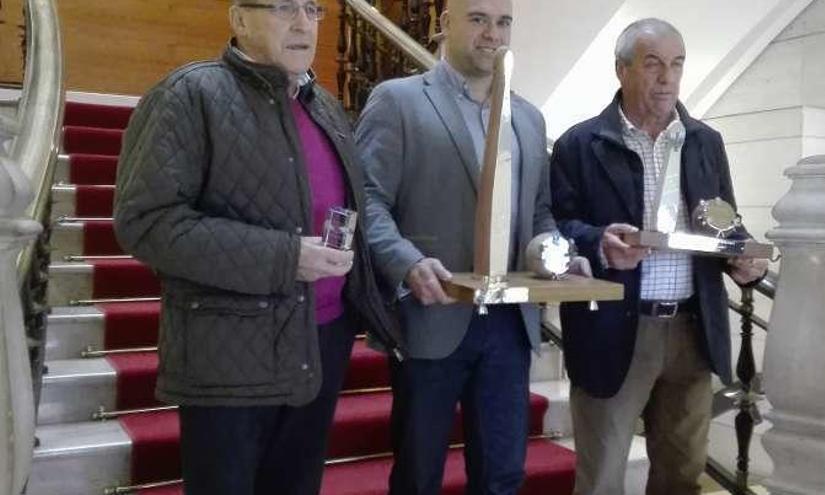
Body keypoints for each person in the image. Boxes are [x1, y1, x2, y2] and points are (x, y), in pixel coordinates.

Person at [112, 1, 401, 494]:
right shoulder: (190, 95)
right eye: (284, 7)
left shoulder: (325, 106)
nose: (301, 23)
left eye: (312, 9)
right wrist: (285, 257)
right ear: (239, 19)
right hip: (229, 355)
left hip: (320, 343)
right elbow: (146, 222)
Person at [356, 0, 589, 493]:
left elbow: (540, 213)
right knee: (419, 475)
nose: (492, 34)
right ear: (444, 26)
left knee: (503, 475)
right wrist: (407, 262)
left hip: (509, 325)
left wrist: (555, 253)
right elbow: (368, 201)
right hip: (430, 315)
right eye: (478, 19)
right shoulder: (397, 100)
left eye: (503, 22)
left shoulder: (529, 118)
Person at [549, 18, 768, 495]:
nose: (667, 77)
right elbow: (556, 230)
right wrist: (597, 240)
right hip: (611, 328)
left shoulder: (706, 142)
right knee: (603, 476)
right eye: (653, 64)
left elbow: (723, 220)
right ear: (622, 70)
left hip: (692, 332)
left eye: (676, 65)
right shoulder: (578, 145)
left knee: (681, 478)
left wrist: (746, 261)